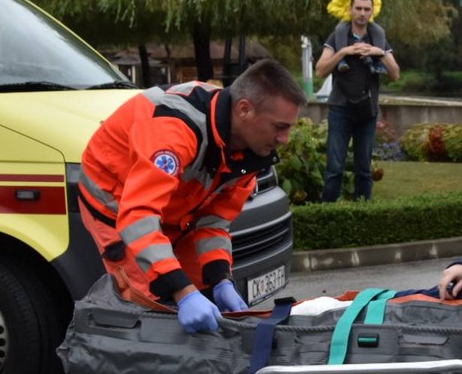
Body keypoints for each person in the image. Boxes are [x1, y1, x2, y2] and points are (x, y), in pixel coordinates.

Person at [78, 59, 306, 335]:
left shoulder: (247, 151)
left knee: (204, 294)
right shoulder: (174, 128)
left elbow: (213, 221)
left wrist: (220, 279)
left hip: (173, 210)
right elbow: (138, 216)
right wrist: (181, 291)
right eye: (279, 127)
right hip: (116, 207)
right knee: (151, 305)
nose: (285, 138)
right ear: (244, 109)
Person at [315, 0, 400, 202]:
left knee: (363, 168)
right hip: (340, 110)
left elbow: (396, 74)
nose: (362, 13)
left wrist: (378, 52)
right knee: (335, 168)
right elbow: (320, 71)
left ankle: (363, 214)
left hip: (367, 111)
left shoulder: (377, 37)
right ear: (351, 10)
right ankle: (328, 214)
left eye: (366, 9)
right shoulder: (337, 36)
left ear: (372, 12)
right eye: (358, 8)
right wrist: (344, 52)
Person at [326, 0, 385, 73]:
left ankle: (378, 61)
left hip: (367, 20)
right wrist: (347, 14)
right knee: (339, 30)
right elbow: (331, 7)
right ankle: (341, 59)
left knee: (379, 31)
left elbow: (377, 3)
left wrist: (371, 14)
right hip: (348, 20)